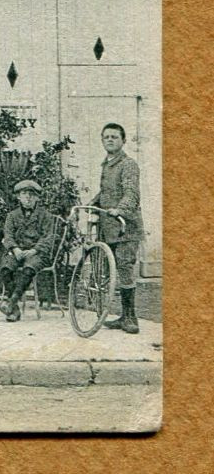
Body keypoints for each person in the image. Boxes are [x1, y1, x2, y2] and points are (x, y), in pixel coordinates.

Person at [93, 122, 144, 334]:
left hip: (126, 228)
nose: (110, 140)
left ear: (123, 141)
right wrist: (91, 204)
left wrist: (119, 209)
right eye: (106, 137)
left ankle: (130, 318)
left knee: (124, 269)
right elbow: (106, 193)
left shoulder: (128, 164)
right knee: (110, 271)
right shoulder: (107, 164)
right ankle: (121, 316)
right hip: (108, 228)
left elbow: (131, 194)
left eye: (115, 137)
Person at [0, 178, 58, 323]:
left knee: (29, 270)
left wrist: (35, 250)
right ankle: (15, 308)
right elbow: (8, 235)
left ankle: (11, 303)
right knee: (5, 268)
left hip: (36, 253)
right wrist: (15, 249)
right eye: (24, 194)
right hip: (17, 251)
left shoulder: (46, 216)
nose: (28, 198)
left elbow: (48, 238)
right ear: (18, 197)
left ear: (37, 197)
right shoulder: (12, 216)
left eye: (32, 194)